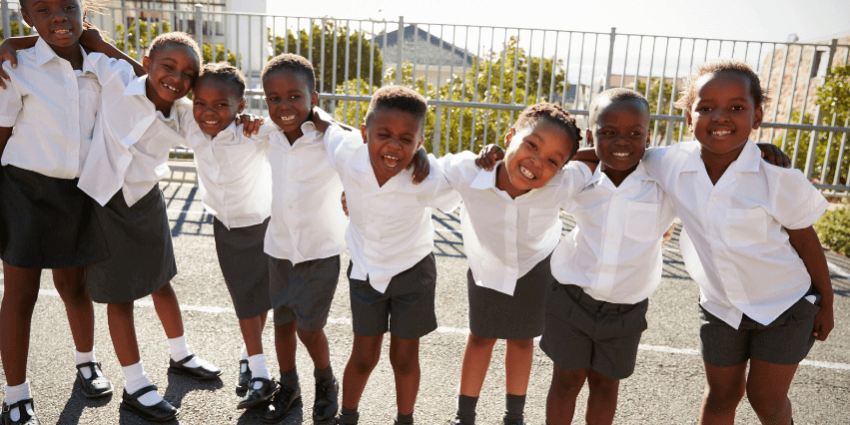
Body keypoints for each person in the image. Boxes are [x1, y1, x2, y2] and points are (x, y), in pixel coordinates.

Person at [75, 32, 258, 422]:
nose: (176, 78)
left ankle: (181, 355)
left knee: (161, 280)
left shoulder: (184, 113)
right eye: (168, 67)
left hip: (145, 199)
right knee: (119, 295)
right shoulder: (116, 77)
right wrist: (10, 46)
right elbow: (86, 41)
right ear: (147, 63)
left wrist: (244, 119)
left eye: (187, 73)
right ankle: (135, 384)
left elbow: (218, 121)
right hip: (103, 200)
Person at [641, 59, 834, 425]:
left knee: (767, 400)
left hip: (784, 306)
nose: (720, 117)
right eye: (706, 107)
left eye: (737, 108)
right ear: (688, 116)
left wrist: (827, 304)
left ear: (757, 116)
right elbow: (616, 155)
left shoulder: (775, 176)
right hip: (720, 307)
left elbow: (807, 242)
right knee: (722, 395)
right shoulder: (667, 163)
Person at [0, 1, 143, 422]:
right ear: (27, 17)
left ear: (84, 9)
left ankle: (86, 362)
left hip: (80, 192)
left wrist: (100, 42)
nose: (58, 15)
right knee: (20, 295)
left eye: (68, 5)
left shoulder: (100, 63)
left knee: (75, 288)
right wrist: (15, 42)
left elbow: (147, 83)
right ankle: (15, 395)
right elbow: (2, 134)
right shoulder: (16, 65)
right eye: (43, 9)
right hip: (24, 192)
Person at [446, 103, 592, 425]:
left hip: (534, 265)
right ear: (510, 136)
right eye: (531, 144)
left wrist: (583, 154)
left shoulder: (560, 184)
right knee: (481, 337)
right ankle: (464, 416)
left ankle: (514, 416)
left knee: (523, 340)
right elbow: (429, 168)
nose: (537, 161)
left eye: (554, 161)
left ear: (563, 169)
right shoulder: (472, 173)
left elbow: (597, 161)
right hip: (487, 264)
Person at [320, 86, 458, 425]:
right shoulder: (347, 153)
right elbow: (323, 124)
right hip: (366, 271)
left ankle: (404, 420)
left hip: (414, 272)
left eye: (406, 140)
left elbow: (472, 175)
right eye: (383, 135)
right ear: (364, 134)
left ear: (420, 144)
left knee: (405, 358)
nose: (394, 145)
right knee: (364, 356)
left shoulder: (427, 177)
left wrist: (488, 154)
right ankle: (347, 416)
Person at [540, 88, 676, 425]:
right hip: (571, 298)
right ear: (590, 135)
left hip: (626, 310)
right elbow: (536, 173)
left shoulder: (664, 184)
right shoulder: (580, 179)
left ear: (648, 135)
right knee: (566, 382)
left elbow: (713, 163)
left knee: (605, 386)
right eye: (608, 133)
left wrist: (759, 150)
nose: (622, 142)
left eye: (635, 133)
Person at [258, 53, 346, 424]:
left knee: (310, 328)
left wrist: (331, 125)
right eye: (274, 98)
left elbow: (363, 148)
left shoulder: (332, 138)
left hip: (319, 251)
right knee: (282, 324)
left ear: (314, 99)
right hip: (280, 248)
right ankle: (289, 385)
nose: (284, 106)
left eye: (295, 96)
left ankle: (325, 381)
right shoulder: (266, 133)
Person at [184, 62, 277, 409]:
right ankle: (262, 373)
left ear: (240, 106)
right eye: (200, 103)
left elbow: (297, 120)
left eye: (221, 104)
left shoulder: (252, 132)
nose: (209, 112)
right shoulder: (190, 126)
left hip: (264, 224)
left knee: (261, 296)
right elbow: (152, 85)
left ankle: (249, 358)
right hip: (225, 227)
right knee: (244, 300)